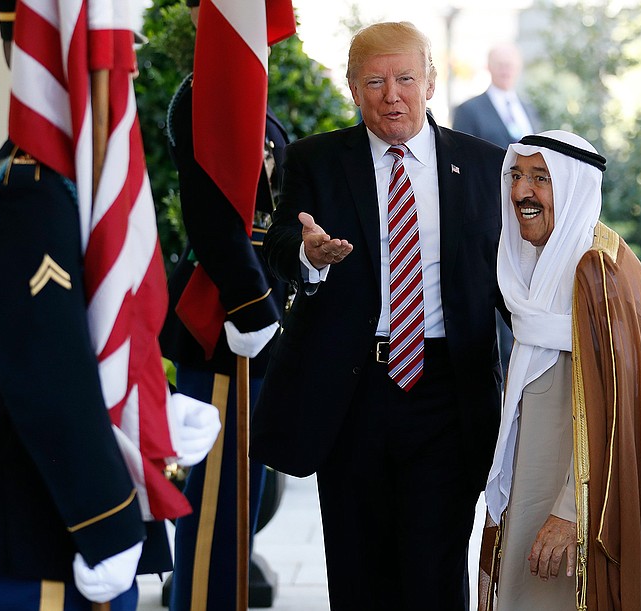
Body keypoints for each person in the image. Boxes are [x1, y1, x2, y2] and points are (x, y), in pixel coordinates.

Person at [0, 2, 220, 608]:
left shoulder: (74, 185)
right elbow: (49, 375)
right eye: (115, 54)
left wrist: (156, 410)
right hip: (54, 517)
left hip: (88, 503)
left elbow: (100, 332)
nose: (129, 73)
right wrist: (104, 521)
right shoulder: (29, 197)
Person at [251, 21, 508, 611]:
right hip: (352, 390)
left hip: (447, 390)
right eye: (374, 81)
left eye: (405, 78)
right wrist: (306, 255)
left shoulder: (484, 164)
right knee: (357, 565)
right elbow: (281, 241)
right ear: (351, 86)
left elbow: (509, 279)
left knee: (435, 565)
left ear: (430, 82)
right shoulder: (317, 159)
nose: (391, 94)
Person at [478, 130, 641, 610]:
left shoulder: (596, 271)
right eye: (516, 176)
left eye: (541, 178)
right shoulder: (536, 267)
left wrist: (569, 512)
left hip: (581, 512)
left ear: (574, 187)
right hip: (532, 494)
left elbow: (619, 413)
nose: (522, 192)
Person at [159, 2, 290, 609]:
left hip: (259, 318)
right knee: (212, 505)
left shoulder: (256, 97)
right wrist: (252, 305)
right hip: (223, 321)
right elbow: (212, 217)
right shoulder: (203, 94)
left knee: (244, 498)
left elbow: (271, 213)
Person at [453, 42, 541, 380]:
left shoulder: (528, 108)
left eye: (510, 64)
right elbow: (462, 167)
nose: (505, 70)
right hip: (490, 217)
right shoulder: (469, 109)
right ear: (489, 67)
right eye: (499, 64)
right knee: (498, 291)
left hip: (529, 219)